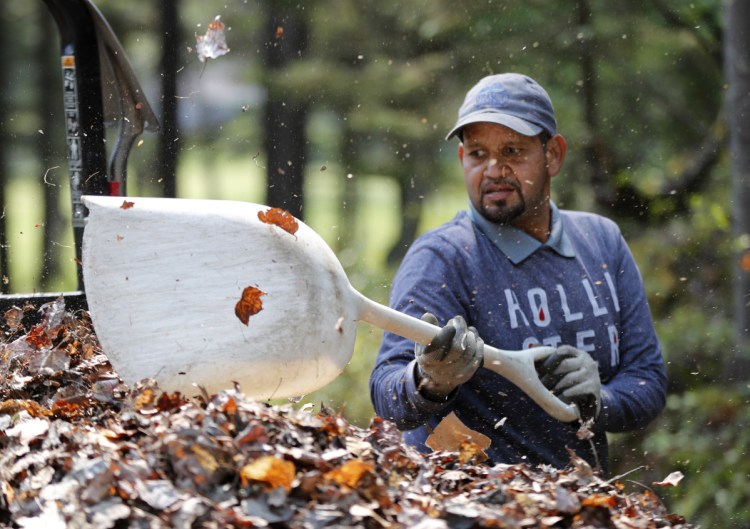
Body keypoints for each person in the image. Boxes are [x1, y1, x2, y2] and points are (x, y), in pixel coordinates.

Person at [369, 73, 667, 473]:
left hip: (580, 505)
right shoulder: (442, 258)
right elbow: (386, 393)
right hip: (462, 504)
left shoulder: (602, 242)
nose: (494, 170)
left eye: (512, 151)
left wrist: (601, 402)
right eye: (477, 154)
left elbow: (647, 381)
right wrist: (429, 380)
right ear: (462, 161)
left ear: (554, 155)